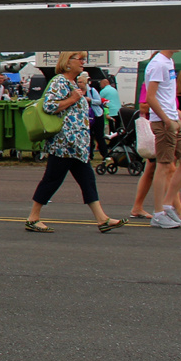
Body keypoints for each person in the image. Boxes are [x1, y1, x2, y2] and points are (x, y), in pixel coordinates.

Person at [24, 52, 124, 233]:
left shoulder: (71, 84)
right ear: (67, 63)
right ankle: (33, 218)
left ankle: (102, 219)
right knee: (52, 180)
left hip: (77, 145)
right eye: (79, 59)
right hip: (64, 143)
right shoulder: (59, 82)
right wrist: (72, 99)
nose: (83, 62)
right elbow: (49, 106)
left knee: (87, 180)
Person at [135, 50, 181, 229]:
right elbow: (150, 98)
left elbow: (168, 99)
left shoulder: (168, 62)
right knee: (163, 166)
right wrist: (165, 120)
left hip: (173, 120)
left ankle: (168, 205)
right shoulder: (158, 64)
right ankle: (158, 213)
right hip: (164, 123)